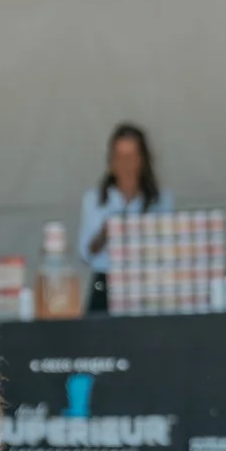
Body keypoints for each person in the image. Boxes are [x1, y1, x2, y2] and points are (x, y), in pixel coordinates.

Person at [81, 122, 171, 313]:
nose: (125, 165)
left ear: (143, 161)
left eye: (131, 157)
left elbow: (170, 249)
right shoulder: (95, 200)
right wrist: (106, 233)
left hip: (149, 283)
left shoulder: (160, 200)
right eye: (119, 157)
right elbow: (85, 253)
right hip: (105, 281)